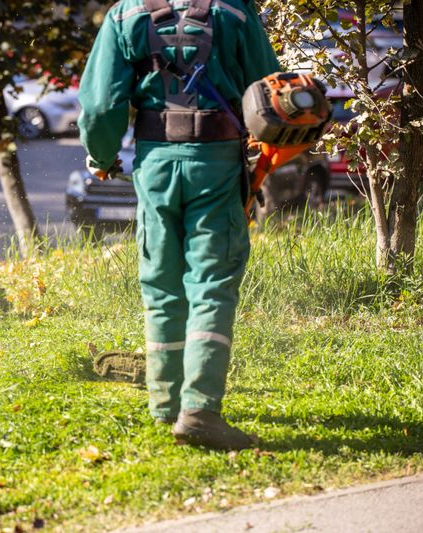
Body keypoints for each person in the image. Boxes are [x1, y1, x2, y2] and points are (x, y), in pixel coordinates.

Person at [78, 0, 279, 451]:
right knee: (211, 282)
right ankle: (200, 409)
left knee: (161, 280)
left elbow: (100, 104)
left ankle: (165, 402)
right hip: (217, 161)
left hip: (155, 163)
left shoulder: (125, 14)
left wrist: (102, 156)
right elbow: (271, 86)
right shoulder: (235, 10)